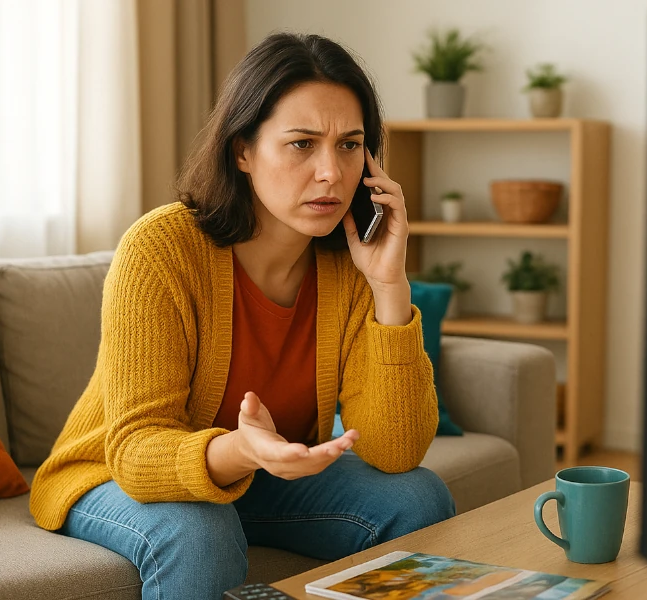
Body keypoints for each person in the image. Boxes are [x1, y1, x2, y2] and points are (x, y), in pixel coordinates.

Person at [28, 30, 456, 599]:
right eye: (302, 144)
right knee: (199, 529)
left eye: (350, 145)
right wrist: (238, 450)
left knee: (419, 496)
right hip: (111, 475)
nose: (331, 171)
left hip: (264, 475)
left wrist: (389, 286)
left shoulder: (352, 263)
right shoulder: (160, 250)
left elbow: (395, 451)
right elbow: (135, 451)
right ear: (243, 151)